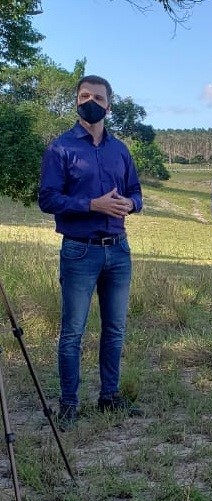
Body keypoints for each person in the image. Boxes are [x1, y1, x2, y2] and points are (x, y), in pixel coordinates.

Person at [38, 75, 143, 430]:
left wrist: (129, 203)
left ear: (108, 105)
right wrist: (92, 205)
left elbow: (137, 194)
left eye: (97, 97)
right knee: (73, 332)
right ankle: (69, 404)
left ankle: (109, 397)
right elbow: (48, 199)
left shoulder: (120, 150)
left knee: (115, 330)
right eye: (84, 96)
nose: (90, 101)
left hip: (118, 251)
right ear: (76, 101)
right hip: (79, 252)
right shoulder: (61, 148)